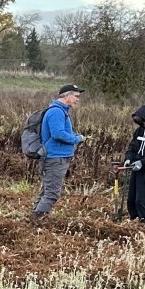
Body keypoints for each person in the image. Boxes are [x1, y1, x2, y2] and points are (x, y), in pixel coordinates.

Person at [32, 84, 85, 220]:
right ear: (67, 96)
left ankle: (35, 218)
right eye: (76, 96)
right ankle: (39, 219)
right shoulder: (56, 112)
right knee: (52, 194)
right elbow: (58, 134)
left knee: (47, 191)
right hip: (55, 158)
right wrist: (76, 139)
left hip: (57, 157)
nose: (78, 99)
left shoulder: (61, 111)